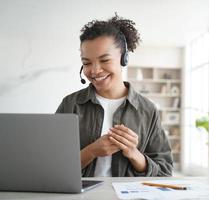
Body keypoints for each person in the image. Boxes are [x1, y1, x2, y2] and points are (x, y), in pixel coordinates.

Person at [56, 14, 173, 177]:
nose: (95, 70)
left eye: (104, 60)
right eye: (87, 63)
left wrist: (134, 153)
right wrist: (92, 151)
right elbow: (54, 165)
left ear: (124, 58)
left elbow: (165, 172)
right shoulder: (70, 104)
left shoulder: (147, 110)